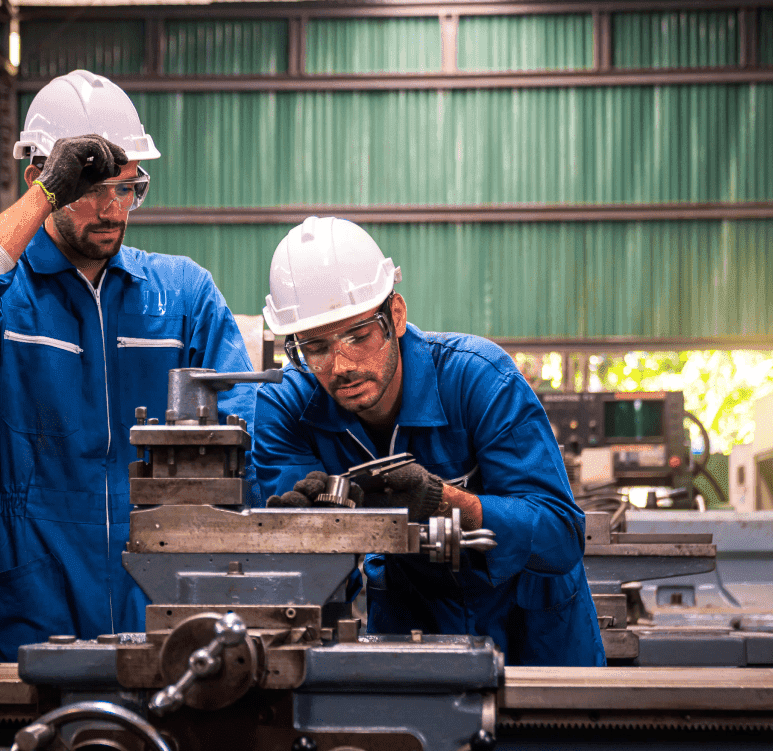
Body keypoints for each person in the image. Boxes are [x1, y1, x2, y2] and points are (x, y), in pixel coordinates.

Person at [0, 70, 254, 662]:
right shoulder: (5, 294)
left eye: (127, 188)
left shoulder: (181, 294)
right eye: (89, 188)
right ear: (42, 178)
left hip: (156, 582)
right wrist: (46, 193)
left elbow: (248, 428)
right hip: (29, 579)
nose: (112, 209)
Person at [253, 216, 604, 666]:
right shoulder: (288, 408)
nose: (340, 366)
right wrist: (309, 537)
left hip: (533, 637)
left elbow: (561, 535)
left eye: (358, 337)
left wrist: (448, 502)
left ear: (395, 315)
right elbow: (304, 579)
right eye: (316, 348)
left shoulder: (478, 379)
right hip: (409, 632)